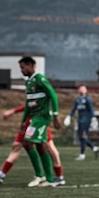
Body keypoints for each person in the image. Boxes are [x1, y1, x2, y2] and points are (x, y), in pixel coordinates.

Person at [0, 104, 66, 186]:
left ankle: (55, 177)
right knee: (19, 145)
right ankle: (1, 174)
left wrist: (55, 116)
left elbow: (49, 98)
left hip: (38, 122)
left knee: (46, 147)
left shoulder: (40, 91)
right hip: (29, 122)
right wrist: (16, 114)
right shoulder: (31, 92)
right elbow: (29, 104)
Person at [16, 56, 62, 187]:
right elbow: (28, 103)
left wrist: (55, 115)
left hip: (42, 118)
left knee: (27, 142)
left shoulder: (40, 79)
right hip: (34, 118)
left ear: (31, 66)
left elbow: (53, 95)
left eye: (23, 67)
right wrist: (24, 120)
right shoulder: (28, 82)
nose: (21, 70)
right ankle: (48, 179)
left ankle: (40, 176)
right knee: (39, 145)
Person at [64, 85, 99, 160]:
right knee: (81, 138)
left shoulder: (87, 100)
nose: (81, 90)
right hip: (80, 120)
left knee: (83, 137)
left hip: (86, 121)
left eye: (83, 89)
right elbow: (73, 109)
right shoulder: (77, 100)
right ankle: (94, 148)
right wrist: (69, 116)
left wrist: (93, 119)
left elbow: (91, 110)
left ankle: (83, 154)